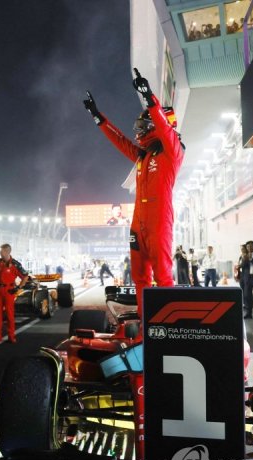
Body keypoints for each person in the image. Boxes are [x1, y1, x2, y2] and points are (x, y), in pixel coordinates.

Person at [84, 68, 184, 315]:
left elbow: (163, 125)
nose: (139, 130)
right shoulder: (143, 155)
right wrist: (99, 117)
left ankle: (167, 327)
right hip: (137, 226)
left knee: (163, 278)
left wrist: (150, 97)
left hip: (160, 223)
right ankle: (144, 325)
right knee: (140, 278)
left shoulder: (173, 152)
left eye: (144, 124)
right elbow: (120, 141)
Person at [0, 244, 28, 343]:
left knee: (10, 314)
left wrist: (18, 288)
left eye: (1, 251)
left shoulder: (15, 264)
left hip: (9, 290)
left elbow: (25, 276)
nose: (0, 253)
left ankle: (11, 335)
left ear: (7, 252)